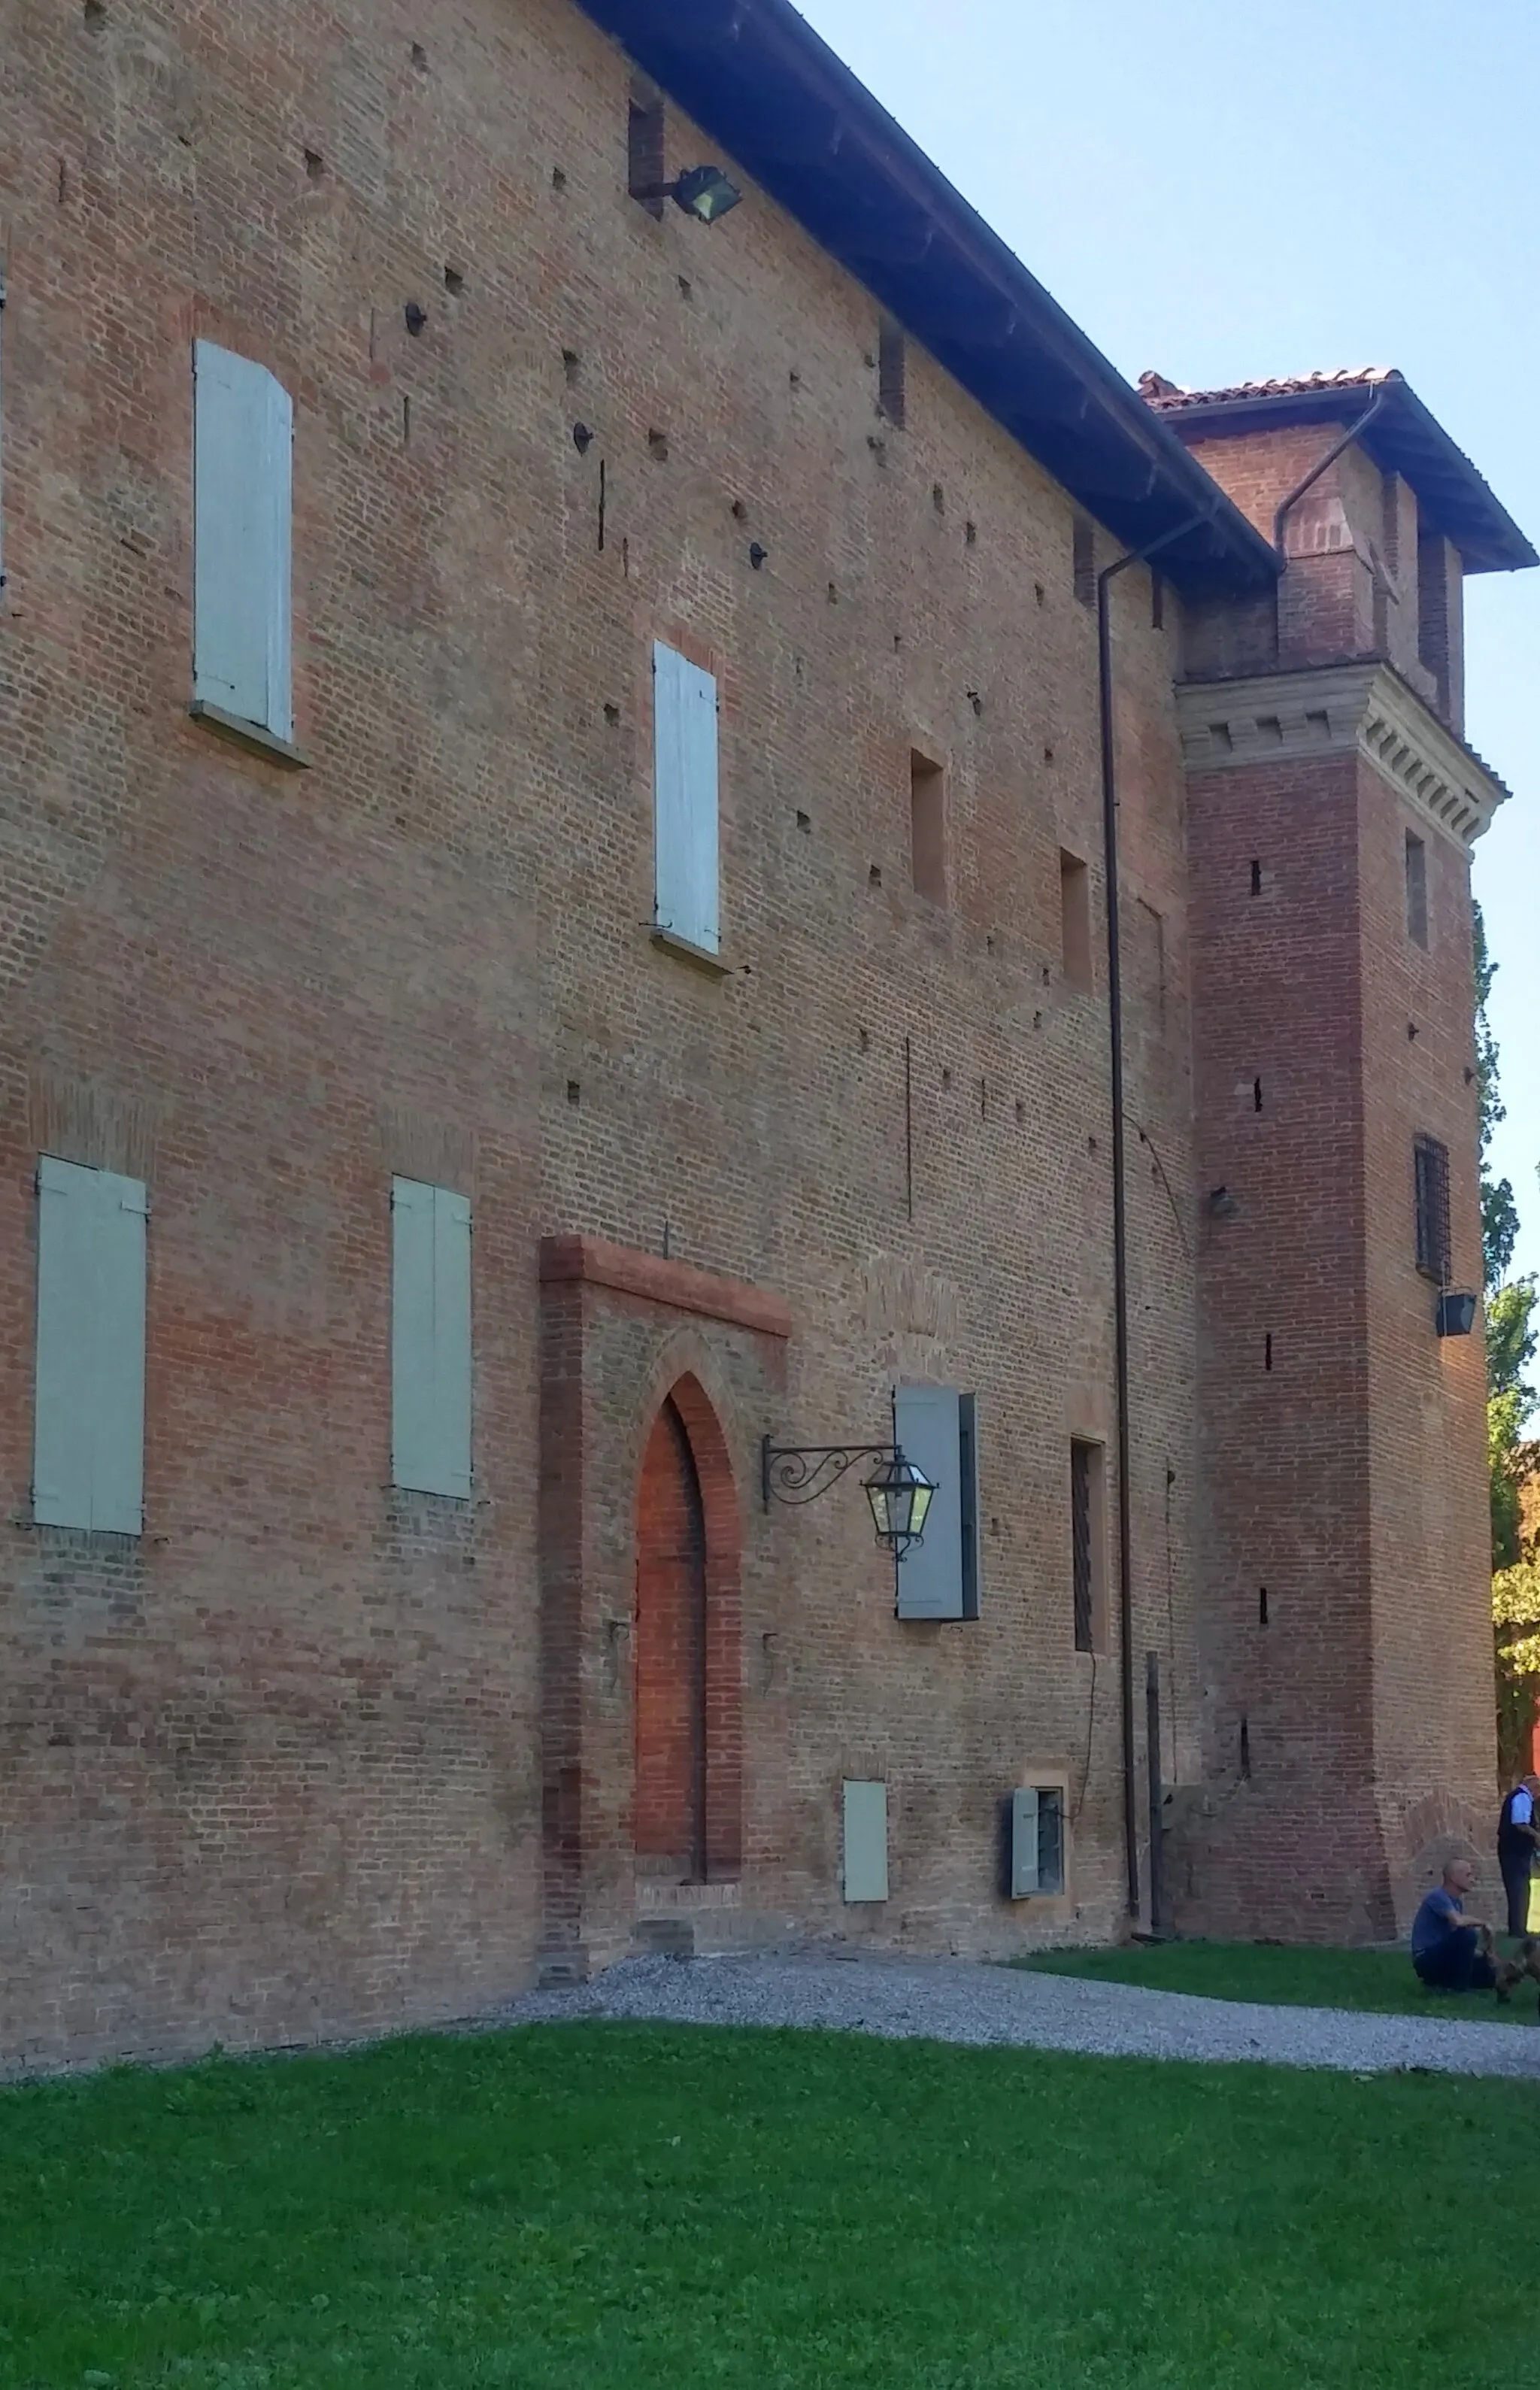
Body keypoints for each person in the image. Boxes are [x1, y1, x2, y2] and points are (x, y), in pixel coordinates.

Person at [1410, 1858, 1497, 1992]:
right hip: (1426, 1959)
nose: (1473, 1880)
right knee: (1468, 1934)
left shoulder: (1456, 1902)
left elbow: (1459, 1945)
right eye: (1468, 1875)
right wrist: (1483, 1923)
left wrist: (1487, 1953)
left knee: (1490, 1974)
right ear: (1454, 1878)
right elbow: (1458, 1921)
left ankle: (1441, 1985)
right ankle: (1459, 1988)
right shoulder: (1438, 1896)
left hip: (1443, 1956)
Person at [1496, 1773, 1540, 1938]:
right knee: (1518, 1889)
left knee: (1521, 1889)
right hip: (1514, 1851)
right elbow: (1520, 1823)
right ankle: (1517, 1930)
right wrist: (1536, 1836)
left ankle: (1520, 1927)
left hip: (1517, 1852)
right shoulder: (1522, 1797)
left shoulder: (1523, 1797)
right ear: (1533, 1787)